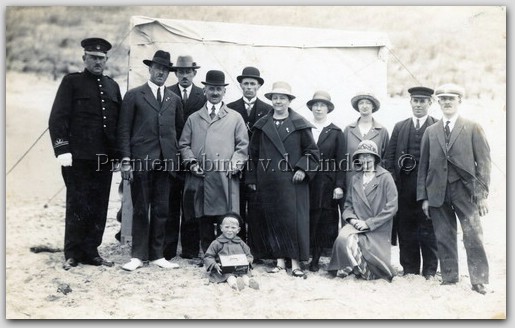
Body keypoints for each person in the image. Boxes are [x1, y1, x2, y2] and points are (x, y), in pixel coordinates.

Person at [48, 37, 121, 270]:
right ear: (84, 58)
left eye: (101, 58)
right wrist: (62, 149)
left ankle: (92, 250)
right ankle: (72, 252)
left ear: (107, 60)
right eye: (93, 58)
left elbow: (117, 124)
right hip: (77, 157)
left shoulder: (112, 86)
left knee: (99, 205)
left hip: (103, 159)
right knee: (77, 203)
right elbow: (58, 118)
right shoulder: (72, 82)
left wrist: (117, 155)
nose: (97, 62)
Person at [417, 83, 491, 295]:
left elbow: (484, 163)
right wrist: (424, 197)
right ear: (438, 102)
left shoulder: (472, 127)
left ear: (460, 101)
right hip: (437, 192)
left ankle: (479, 279)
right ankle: (449, 276)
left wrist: (482, 195)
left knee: (473, 234)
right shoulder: (431, 131)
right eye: (443, 98)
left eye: (452, 98)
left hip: (465, 191)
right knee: (444, 235)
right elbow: (424, 165)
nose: (447, 102)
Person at [117, 50, 184, 271]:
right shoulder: (134, 95)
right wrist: (126, 160)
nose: (161, 73)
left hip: (166, 163)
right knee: (139, 208)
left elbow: (178, 130)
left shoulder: (173, 99)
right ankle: (137, 255)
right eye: (158, 68)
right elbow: (124, 129)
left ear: (168, 73)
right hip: (140, 161)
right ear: (150, 69)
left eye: (165, 70)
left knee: (161, 209)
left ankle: (157, 255)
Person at [246, 81, 320, 278]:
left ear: (289, 101)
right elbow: (252, 155)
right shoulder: (261, 125)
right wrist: (252, 177)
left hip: (293, 182)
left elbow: (312, 152)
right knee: (274, 220)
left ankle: (295, 263)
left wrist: (303, 169)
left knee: (293, 221)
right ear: (271, 100)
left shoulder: (300, 124)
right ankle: (279, 260)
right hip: (268, 181)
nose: (278, 101)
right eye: (275, 98)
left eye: (282, 98)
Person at [178, 70, 249, 255]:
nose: (215, 93)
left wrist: (235, 164)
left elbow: (243, 146)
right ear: (205, 90)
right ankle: (208, 254)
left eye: (219, 89)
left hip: (225, 178)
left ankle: (226, 255)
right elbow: (184, 144)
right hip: (201, 178)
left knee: (227, 220)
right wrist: (192, 163)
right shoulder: (194, 118)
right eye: (211, 89)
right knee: (204, 219)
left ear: (224, 92)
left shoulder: (235, 117)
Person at [384, 86, 439, 279]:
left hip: (428, 188)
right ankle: (410, 269)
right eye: (415, 101)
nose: (418, 105)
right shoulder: (400, 127)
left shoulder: (437, 126)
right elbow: (389, 159)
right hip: (404, 188)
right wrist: (394, 185)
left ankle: (430, 270)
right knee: (405, 228)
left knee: (429, 228)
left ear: (430, 103)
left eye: (422, 101)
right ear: (410, 103)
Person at [327, 140, 398, 281]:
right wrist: (353, 220)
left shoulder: (385, 177)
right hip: (356, 224)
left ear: (375, 158)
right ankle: (351, 267)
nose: (365, 159)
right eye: (362, 156)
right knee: (342, 239)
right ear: (358, 159)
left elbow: (392, 206)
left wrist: (369, 223)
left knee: (374, 271)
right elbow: (347, 206)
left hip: (377, 227)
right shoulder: (355, 178)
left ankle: (362, 269)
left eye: (369, 156)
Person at [164, 55, 207, 261]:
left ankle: (190, 249)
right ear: (175, 74)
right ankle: (168, 250)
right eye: (180, 72)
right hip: (171, 158)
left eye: (187, 72)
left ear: (194, 73)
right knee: (171, 204)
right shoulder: (166, 92)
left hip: (194, 159)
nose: (184, 75)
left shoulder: (203, 95)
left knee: (191, 204)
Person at [227, 66, 273, 244]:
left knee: (256, 209)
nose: (248, 87)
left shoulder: (268, 109)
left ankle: (256, 248)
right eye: (245, 83)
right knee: (236, 207)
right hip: (236, 166)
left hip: (258, 167)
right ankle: (236, 245)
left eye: (252, 84)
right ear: (240, 85)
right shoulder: (230, 108)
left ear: (258, 86)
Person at [305, 91, 345, 272]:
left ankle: (318, 258)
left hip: (326, 183)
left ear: (328, 108)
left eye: (323, 105)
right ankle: (306, 254)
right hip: (306, 180)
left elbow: (342, 161)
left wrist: (339, 185)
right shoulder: (304, 128)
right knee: (307, 217)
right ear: (311, 108)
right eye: (316, 105)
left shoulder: (336, 132)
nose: (319, 108)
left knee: (324, 219)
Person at [342, 92, 389, 192]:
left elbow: (386, 159)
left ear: (373, 106)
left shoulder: (382, 131)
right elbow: (342, 157)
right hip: (351, 180)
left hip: (374, 183)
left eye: (368, 103)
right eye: (361, 103)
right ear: (357, 107)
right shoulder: (348, 130)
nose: (364, 106)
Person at [203, 213, 259, 291]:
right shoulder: (216, 243)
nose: (229, 230)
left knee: (244, 275)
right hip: (224, 269)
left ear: (238, 230)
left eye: (233, 228)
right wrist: (214, 264)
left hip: (239, 268)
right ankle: (235, 285)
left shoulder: (240, 242)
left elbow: (248, 254)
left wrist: (247, 261)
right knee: (229, 276)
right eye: (227, 227)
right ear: (221, 228)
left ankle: (249, 282)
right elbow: (208, 256)